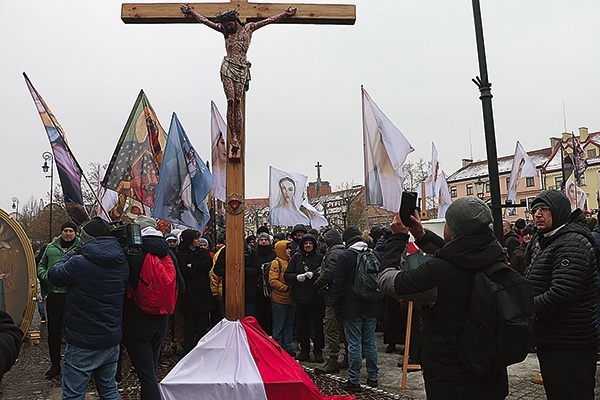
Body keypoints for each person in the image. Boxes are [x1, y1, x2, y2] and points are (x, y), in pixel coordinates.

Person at [379, 197, 509, 400]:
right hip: (490, 370)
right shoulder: (497, 255)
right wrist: (422, 237)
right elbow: (459, 255)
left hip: (451, 377)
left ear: (453, 229)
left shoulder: (439, 272)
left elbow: (388, 281)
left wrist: (397, 239)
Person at [181, 4, 296, 157]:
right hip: (228, 67)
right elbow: (205, 21)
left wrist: (284, 14)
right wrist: (192, 12)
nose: (227, 27)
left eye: (229, 25)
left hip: (241, 69)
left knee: (237, 102)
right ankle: (233, 136)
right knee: (230, 101)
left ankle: (237, 137)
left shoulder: (249, 28)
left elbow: (269, 20)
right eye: (225, 26)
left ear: (234, 21)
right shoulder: (224, 32)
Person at [524, 190, 598, 399]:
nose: (538, 214)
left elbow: (561, 295)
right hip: (554, 340)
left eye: (544, 209)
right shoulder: (547, 240)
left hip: (571, 345)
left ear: (559, 211)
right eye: (535, 209)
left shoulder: (571, 242)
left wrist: (524, 307)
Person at [47, 217, 129, 400]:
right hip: (111, 338)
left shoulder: (78, 263)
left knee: (74, 394)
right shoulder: (121, 261)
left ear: (86, 239)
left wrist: (73, 252)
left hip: (83, 342)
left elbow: (54, 274)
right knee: (108, 389)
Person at [123, 216, 185, 400]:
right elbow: (181, 286)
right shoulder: (168, 253)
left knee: (147, 377)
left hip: (136, 323)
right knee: (150, 370)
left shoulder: (134, 252)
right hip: (161, 321)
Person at [332, 226, 379, 392]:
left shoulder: (345, 256)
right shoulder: (372, 253)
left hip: (351, 307)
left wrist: (335, 305)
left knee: (354, 344)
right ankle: (373, 376)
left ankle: (354, 379)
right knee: (370, 342)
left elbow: (338, 284)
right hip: (371, 304)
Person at [37, 220, 81, 379]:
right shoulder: (50, 248)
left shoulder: (80, 249)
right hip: (54, 295)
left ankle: (74, 365)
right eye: (65, 231)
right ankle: (55, 364)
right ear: (61, 232)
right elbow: (41, 266)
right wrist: (45, 276)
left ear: (75, 233)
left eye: (71, 231)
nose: (68, 233)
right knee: (53, 333)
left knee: (73, 332)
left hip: (73, 296)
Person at [285, 234, 324, 362]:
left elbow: (324, 272)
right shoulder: (296, 258)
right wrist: (296, 277)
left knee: (317, 326)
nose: (308, 246)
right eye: (306, 243)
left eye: (310, 244)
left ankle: (318, 351)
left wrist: (314, 274)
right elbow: (287, 275)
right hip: (301, 298)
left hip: (316, 298)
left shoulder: (319, 257)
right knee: (302, 325)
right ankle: (304, 350)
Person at [314, 229, 347, 374]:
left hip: (333, 297)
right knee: (344, 330)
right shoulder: (344, 250)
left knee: (331, 329)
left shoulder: (333, 253)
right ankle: (348, 358)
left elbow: (330, 272)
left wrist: (318, 281)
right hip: (343, 297)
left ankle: (332, 360)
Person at [176, 229, 213, 355]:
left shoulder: (202, 252)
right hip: (189, 294)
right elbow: (184, 271)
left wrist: (194, 265)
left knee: (202, 324)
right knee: (189, 325)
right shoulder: (181, 253)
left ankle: (202, 348)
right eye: (196, 239)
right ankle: (189, 350)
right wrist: (198, 269)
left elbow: (208, 264)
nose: (198, 241)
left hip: (202, 294)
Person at [213, 239, 261, 317]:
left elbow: (257, 270)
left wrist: (242, 270)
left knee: (248, 319)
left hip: (248, 293)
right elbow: (217, 270)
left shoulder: (252, 253)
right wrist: (231, 271)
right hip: (230, 293)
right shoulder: (225, 252)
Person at [268, 240, 295, 356]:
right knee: (278, 325)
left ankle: (287, 346)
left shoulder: (291, 261)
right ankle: (277, 346)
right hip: (279, 299)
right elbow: (272, 280)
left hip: (291, 299)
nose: (289, 250)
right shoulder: (276, 263)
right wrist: (285, 288)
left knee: (289, 324)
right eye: (287, 248)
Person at [255, 232, 276, 334]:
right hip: (258, 288)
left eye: (265, 240)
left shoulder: (273, 253)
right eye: (261, 240)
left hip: (271, 287)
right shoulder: (255, 253)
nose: (263, 242)